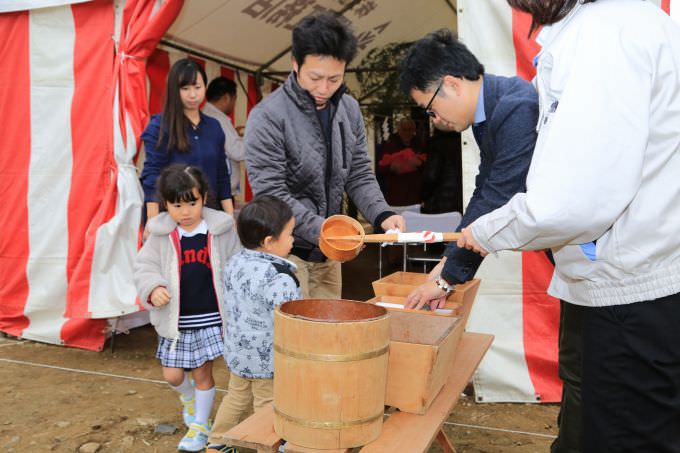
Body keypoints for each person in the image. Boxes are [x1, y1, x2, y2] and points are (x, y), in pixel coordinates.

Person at [458, 1, 680, 451]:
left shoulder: (603, 36)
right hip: (624, 281)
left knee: (622, 437)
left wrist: (485, 232)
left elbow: (571, 201)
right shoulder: (613, 25)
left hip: (631, 293)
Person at [245, 12, 404, 299]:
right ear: (295, 64)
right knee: (294, 339)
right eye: (315, 78)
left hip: (330, 254)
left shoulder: (349, 109)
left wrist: (382, 213)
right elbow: (271, 193)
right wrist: (328, 229)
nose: (323, 89)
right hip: (285, 253)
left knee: (329, 335)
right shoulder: (268, 117)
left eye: (334, 79)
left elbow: (358, 172)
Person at [401, 30, 537, 310]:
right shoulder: (488, 112)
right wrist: (445, 264)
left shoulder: (516, 107)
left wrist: (445, 279)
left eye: (430, 109)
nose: (435, 119)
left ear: (451, 84)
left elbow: (499, 196)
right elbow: (484, 190)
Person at [133, 164, 240, 452]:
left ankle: (200, 426)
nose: (185, 211)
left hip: (210, 316)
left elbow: (236, 264)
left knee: (203, 374)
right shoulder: (160, 234)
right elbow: (144, 267)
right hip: (175, 320)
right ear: (166, 205)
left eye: (192, 203)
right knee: (173, 375)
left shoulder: (221, 230)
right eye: (177, 205)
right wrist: (154, 287)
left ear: (204, 197)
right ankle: (188, 398)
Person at [207, 195, 301, 452]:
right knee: (268, 406)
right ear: (269, 242)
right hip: (267, 359)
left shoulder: (235, 262)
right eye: (290, 234)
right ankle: (267, 447)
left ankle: (216, 443)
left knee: (236, 397)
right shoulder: (280, 277)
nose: (293, 240)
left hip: (238, 351)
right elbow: (290, 321)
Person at [141, 58, 233, 232]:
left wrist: (230, 218)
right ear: (174, 90)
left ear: (205, 87)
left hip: (209, 216)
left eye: (197, 87)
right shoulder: (159, 126)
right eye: (185, 88)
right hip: (172, 218)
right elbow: (152, 177)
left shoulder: (214, 126)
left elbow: (222, 176)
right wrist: (153, 224)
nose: (192, 95)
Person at [203, 77, 245, 197]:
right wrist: (254, 139)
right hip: (220, 191)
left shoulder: (205, 114)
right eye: (235, 100)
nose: (234, 105)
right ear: (227, 98)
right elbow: (237, 152)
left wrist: (235, 135)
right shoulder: (218, 119)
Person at [377, 118, 426, 206]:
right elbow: (381, 168)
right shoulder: (390, 144)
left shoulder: (420, 144)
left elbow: (427, 167)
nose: (407, 133)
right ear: (399, 130)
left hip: (415, 194)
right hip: (395, 194)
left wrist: (419, 164)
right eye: (404, 130)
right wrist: (392, 167)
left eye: (410, 130)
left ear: (414, 130)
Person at [421, 128, 463, 214]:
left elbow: (431, 176)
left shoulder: (436, 144)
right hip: (462, 200)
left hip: (439, 202)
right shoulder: (465, 142)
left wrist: (423, 196)